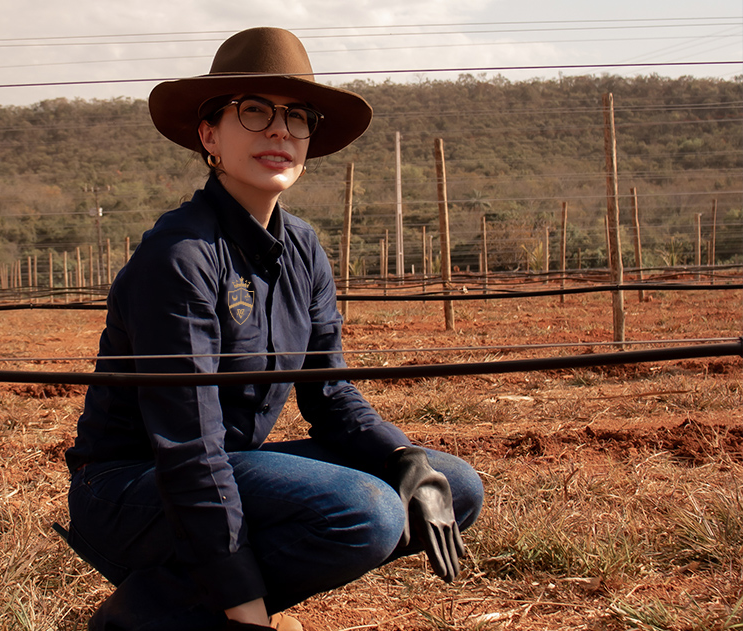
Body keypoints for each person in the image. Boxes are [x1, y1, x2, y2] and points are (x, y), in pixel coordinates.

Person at [62, 27, 483, 631]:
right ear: (210, 135)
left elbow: (331, 395)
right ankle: (147, 615)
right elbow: (189, 448)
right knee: (366, 512)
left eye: (296, 116)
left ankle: (195, 600)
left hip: (228, 467)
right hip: (133, 487)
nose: (280, 131)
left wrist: (403, 454)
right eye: (255, 112)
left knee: (453, 484)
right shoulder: (180, 257)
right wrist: (248, 609)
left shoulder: (303, 246)